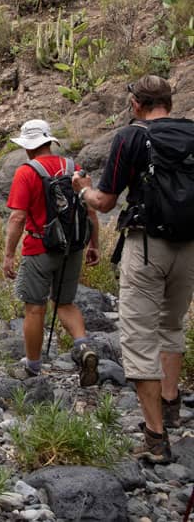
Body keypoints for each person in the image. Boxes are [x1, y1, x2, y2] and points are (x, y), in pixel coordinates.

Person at [72, 75, 194, 463]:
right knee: (172, 325)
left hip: (146, 246)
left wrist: (81, 189)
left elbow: (105, 201)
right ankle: (171, 404)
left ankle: (156, 438)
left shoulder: (131, 137)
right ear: (169, 103)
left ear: (137, 103)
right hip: (189, 245)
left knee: (140, 336)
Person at [2, 119, 100, 386]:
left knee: (35, 308)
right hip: (73, 247)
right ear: (49, 142)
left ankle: (33, 367)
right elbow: (90, 211)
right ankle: (83, 346)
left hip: (38, 247)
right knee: (65, 303)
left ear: (29, 147)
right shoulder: (74, 168)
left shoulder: (26, 172)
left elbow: (17, 218)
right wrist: (94, 244)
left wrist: (9, 254)